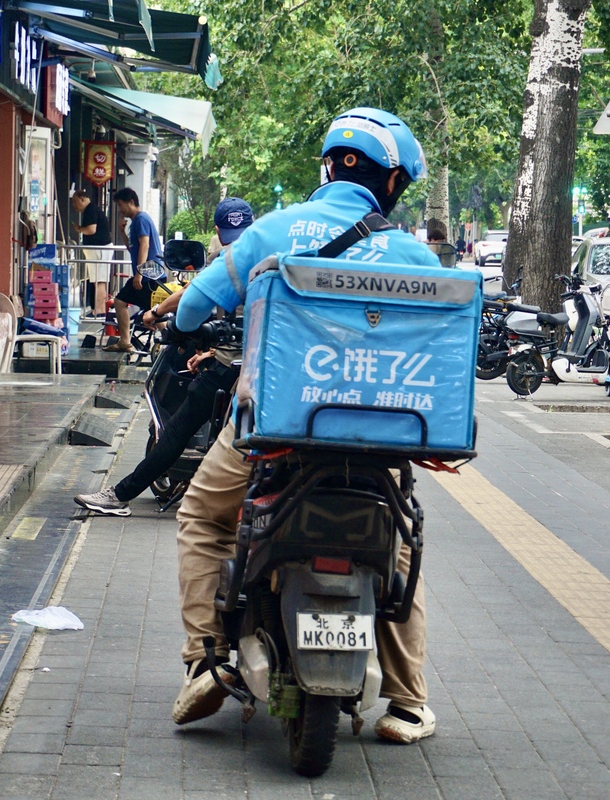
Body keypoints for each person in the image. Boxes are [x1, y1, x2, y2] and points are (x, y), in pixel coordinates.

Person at [169, 108, 441, 744]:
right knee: (398, 549)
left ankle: (205, 660)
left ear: (328, 166)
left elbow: (190, 311)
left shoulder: (273, 230)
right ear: (393, 184)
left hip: (272, 435)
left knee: (204, 518)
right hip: (378, 443)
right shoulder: (411, 253)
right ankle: (406, 703)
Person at [73, 198, 255, 515]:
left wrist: (157, 314)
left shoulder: (228, 258)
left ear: (218, 231)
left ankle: (119, 496)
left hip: (230, 368)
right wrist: (212, 350)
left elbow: (192, 296)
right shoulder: (273, 255)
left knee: (177, 431)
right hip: (264, 366)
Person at [106, 187, 165, 352]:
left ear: (131, 202)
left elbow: (144, 245)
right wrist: (122, 232)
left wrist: (139, 273)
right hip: (149, 274)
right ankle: (172, 339)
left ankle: (173, 340)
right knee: (152, 310)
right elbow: (133, 247)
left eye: (120, 205)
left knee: (123, 302)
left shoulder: (140, 219)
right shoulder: (136, 221)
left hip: (149, 275)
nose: (119, 209)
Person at [71, 190, 112, 316]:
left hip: (99, 249)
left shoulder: (90, 210)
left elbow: (91, 230)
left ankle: (99, 311)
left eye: (75, 202)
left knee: (99, 280)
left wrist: (79, 229)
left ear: (82, 199)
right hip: (98, 249)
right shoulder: (92, 209)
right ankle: (99, 309)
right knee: (98, 280)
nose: (74, 206)